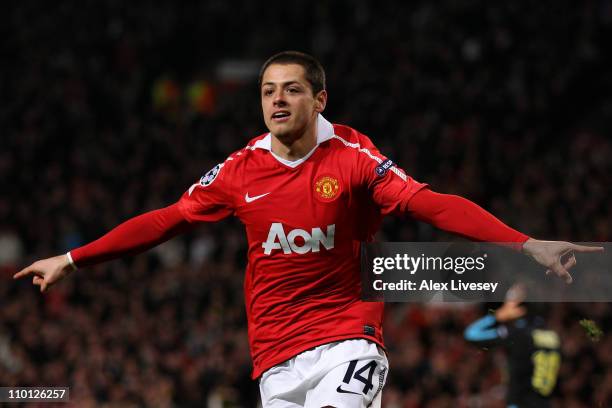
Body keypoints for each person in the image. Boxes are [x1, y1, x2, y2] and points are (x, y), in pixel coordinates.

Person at [14, 51, 602, 407]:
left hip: (346, 339)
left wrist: (524, 243)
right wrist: (74, 258)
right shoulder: (237, 171)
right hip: (272, 357)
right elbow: (167, 219)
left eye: (291, 89)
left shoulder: (352, 156)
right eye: (268, 91)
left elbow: (433, 204)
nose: (277, 100)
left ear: (320, 99)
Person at [464, 284, 561, 408]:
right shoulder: (553, 336)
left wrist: (496, 316)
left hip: (520, 403)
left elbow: (471, 334)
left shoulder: (516, 333)